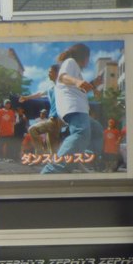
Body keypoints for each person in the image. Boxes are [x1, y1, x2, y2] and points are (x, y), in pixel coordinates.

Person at [40, 43, 97, 174]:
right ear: (84, 56)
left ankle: (74, 160)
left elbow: (79, 90)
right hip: (74, 106)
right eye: (88, 58)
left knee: (96, 130)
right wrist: (77, 81)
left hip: (78, 107)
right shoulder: (71, 62)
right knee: (81, 133)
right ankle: (52, 170)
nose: (88, 61)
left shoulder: (75, 69)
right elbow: (62, 77)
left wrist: (93, 85)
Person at [21, 64, 61, 156]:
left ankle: (41, 155)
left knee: (33, 129)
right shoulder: (51, 88)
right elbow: (39, 94)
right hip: (52, 119)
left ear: (57, 73)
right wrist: (26, 97)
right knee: (53, 149)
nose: (48, 74)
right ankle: (52, 160)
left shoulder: (63, 87)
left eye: (50, 72)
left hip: (57, 119)